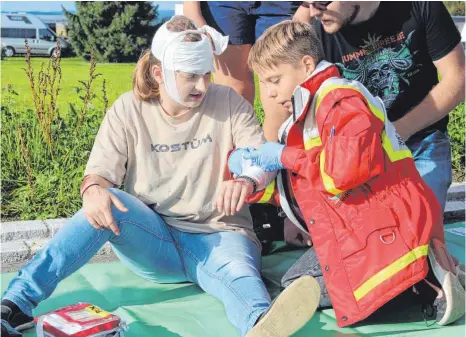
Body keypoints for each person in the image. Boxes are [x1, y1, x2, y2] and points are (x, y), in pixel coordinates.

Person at [0, 16, 321, 337]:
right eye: (191, 77)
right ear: (159, 73)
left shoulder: (229, 102)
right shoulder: (128, 110)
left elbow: (260, 158)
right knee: (105, 203)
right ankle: (15, 303)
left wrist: (247, 180)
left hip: (222, 235)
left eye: (207, 74)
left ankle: (260, 324)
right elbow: (97, 177)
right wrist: (94, 191)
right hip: (154, 243)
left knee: (239, 275)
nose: (202, 85)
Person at [225, 20, 465, 328]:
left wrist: (282, 155)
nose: (268, 94)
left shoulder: (341, 100)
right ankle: (421, 272)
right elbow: (306, 180)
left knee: (344, 293)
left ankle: (423, 280)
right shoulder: (311, 108)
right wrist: (252, 180)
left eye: (274, 80)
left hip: (385, 225)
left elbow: (340, 175)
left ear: (306, 64)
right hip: (365, 224)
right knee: (295, 280)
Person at [285, 1, 465, 212]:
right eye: (305, 2)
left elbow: (458, 79)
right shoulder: (314, 33)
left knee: (419, 228)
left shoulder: (418, 5)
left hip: (420, 141)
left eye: (322, 3)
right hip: (353, 153)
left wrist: (399, 130)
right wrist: (294, 211)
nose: (313, 12)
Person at [184, 1, 309, 141]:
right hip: (222, 6)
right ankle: (239, 158)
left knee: (280, 104)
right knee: (233, 98)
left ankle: (270, 158)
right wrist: (192, 9)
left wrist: (307, 6)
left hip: (281, 5)